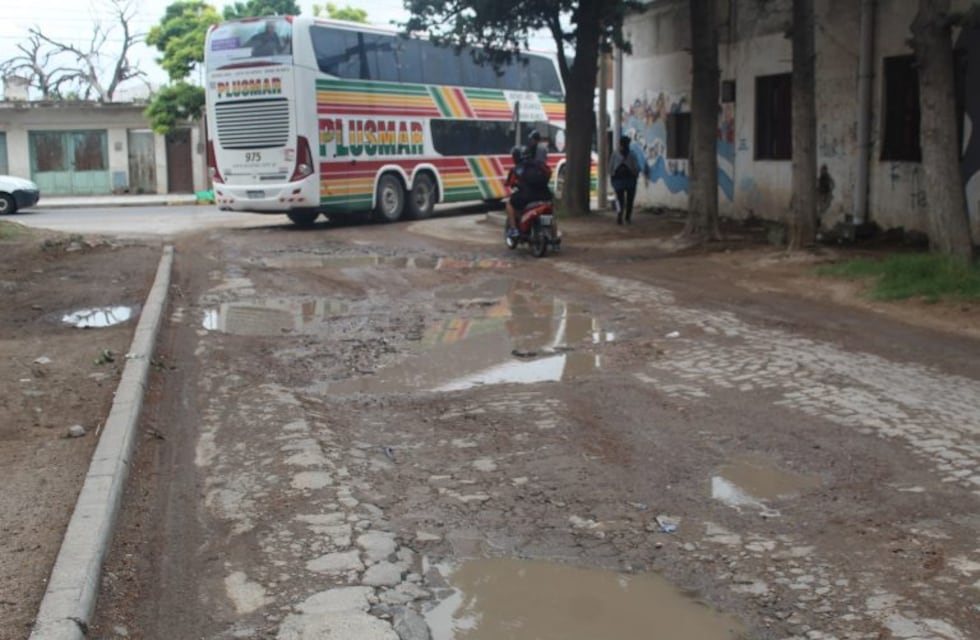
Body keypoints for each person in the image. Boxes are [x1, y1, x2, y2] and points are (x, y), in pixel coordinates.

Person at [505, 145, 553, 239]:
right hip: (545, 195)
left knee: (509, 203)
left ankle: (514, 229)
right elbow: (549, 172)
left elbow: (510, 183)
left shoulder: (516, 169)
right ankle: (554, 236)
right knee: (550, 217)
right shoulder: (540, 164)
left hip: (526, 197)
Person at [609, 135, 640, 225]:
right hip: (629, 180)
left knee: (619, 200)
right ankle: (627, 216)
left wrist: (612, 177)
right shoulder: (632, 154)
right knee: (629, 200)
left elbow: (611, 167)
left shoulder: (615, 154)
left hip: (619, 180)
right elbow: (637, 167)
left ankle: (620, 215)